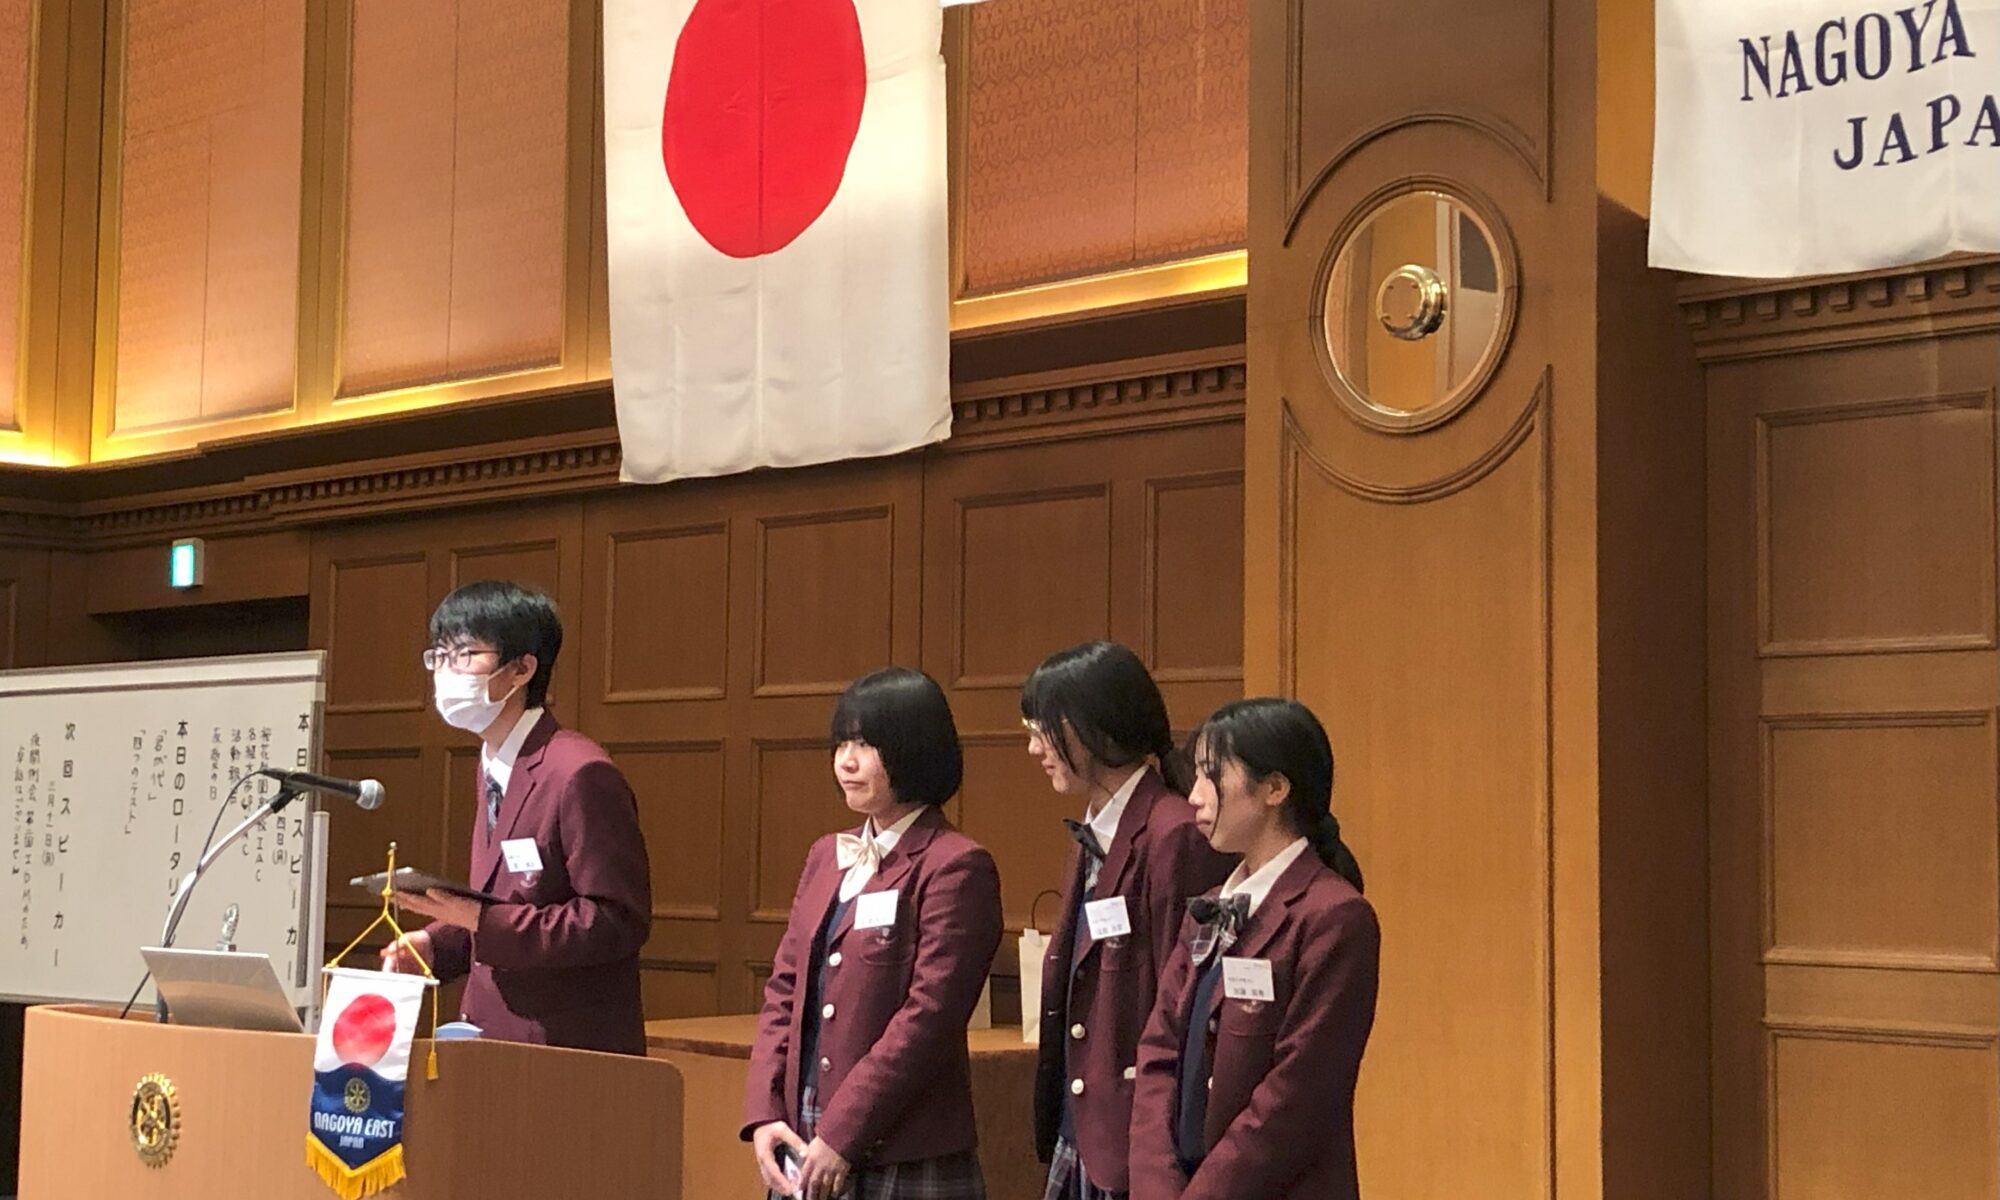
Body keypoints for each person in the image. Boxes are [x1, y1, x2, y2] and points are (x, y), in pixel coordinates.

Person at [743, 666, 1003, 1200]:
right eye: (842, 743)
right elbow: (784, 989)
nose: (846, 761)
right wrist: (765, 1114)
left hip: (899, 1145)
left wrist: (843, 1133)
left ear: (914, 749)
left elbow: (928, 1018)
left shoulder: (955, 864)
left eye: (865, 744)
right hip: (803, 1133)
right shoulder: (826, 855)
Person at [383, 580, 652, 1055]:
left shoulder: (577, 772)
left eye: (465, 654)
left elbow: (615, 922)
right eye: (439, 656)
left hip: (566, 1050)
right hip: (495, 1041)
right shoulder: (493, 763)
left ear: (523, 669)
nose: (446, 671)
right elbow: (511, 901)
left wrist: (479, 921)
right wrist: (437, 944)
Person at [1129, 698, 1378, 1200]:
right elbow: (1159, 1050)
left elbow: (1297, 1095)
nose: (1194, 796)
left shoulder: (1334, 917)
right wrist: (1157, 1184)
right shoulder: (1211, 905)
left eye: (1212, 775)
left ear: (1275, 788)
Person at [1022, 642, 1236, 1200]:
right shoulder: (1096, 827)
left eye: (1044, 730)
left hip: (1137, 1146)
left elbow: (1182, 1009)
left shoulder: (1174, 833)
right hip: (1085, 1130)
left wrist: (1157, 1161)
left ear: (1095, 727)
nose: (1034, 748)